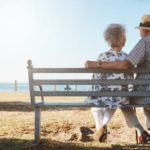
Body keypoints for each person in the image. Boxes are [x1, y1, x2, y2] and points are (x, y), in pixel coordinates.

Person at [85, 23, 150, 144]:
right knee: (118, 104)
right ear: (122, 39)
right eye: (124, 36)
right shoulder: (126, 57)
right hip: (121, 96)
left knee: (96, 108)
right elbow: (130, 76)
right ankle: (142, 132)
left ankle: (101, 129)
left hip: (103, 95)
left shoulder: (101, 57)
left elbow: (97, 79)